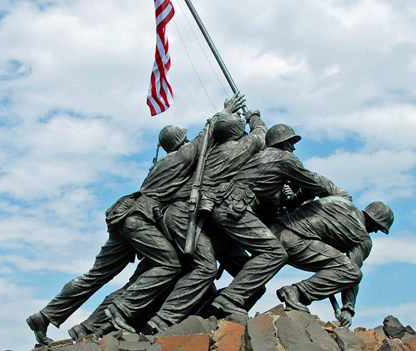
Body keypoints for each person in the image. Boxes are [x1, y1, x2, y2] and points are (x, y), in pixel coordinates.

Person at [25, 122, 208, 345]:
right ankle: (121, 311)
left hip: (125, 216)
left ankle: (44, 316)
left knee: (96, 275)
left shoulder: (163, 162)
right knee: (170, 265)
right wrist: (226, 112)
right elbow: (204, 137)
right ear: (181, 140)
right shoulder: (182, 155)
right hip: (139, 219)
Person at [144, 100, 267, 332]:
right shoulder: (240, 147)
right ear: (238, 132)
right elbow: (261, 133)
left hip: (207, 220)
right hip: (186, 215)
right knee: (205, 268)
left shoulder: (206, 153)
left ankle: (212, 314)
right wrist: (254, 116)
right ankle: (163, 320)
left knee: (250, 282)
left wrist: (225, 114)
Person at [204, 123, 342, 316]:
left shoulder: (260, 157)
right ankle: (228, 299)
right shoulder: (284, 158)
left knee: (255, 281)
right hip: (235, 208)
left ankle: (211, 310)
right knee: (276, 253)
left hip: (225, 207)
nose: (293, 148)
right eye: (291, 143)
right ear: (282, 143)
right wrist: (299, 197)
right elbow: (315, 185)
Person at [272, 197, 393, 328]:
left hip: (272, 231)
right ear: (372, 219)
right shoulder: (363, 237)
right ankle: (296, 291)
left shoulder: (341, 201)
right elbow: (351, 272)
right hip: (294, 241)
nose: (375, 231)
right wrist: (348, 309)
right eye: (377, 227)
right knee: (352, 272)